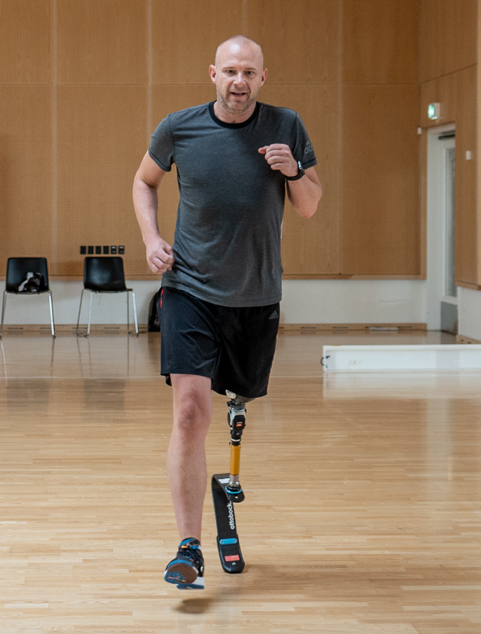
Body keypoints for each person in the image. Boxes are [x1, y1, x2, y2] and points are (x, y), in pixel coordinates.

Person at [131, 35, 322, 589]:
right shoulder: (179, 127)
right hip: (189, 287)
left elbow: (309, 206)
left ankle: (234, 425)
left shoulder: (287, 126)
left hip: (256, 295)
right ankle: (188, 547)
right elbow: (144, 182)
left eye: (249, 73)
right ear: (213, 73)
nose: (239, 81)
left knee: (238, 401)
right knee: (190, 413)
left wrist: (292, 171)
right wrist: (150, 238)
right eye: (230, 71)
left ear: (263, 78)